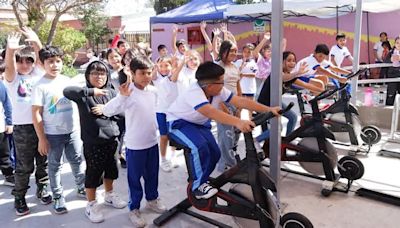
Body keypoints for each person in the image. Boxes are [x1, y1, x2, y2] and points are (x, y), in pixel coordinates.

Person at [167, 61, 281, 199]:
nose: (223, 84)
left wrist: (269, 110)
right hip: (179, 123)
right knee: (199, 147)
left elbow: (241, 101)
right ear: (209, 86)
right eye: (221, 81)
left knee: (215, 153)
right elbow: (211, 112)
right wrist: (238, 122)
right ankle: (198, 186)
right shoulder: (194, 92)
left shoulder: (217, 90)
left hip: (198, 124)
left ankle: (202, 178)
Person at [102, 56, 167, 228]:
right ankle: (134, 208)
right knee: (134, 180)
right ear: (132, 73)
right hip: (135, 146)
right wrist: (121, 97)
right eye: (142, 73)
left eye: (149, 72)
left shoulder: (153, 91)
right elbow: (107, 111)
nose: (146, 76)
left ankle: (152, 199)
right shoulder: (127, 91)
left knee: (152, 175)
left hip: (152, 142)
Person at [63, 61, 127, 223]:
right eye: (95, 73)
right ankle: (91, 204)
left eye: (102, 73)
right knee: (93, 173)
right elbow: (67, 91)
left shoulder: (112, 92)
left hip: (113, 140)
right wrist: (91, 92)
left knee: (112, 169)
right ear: (87, 76)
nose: (99, 76)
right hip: (93, 142)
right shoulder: (83, 94)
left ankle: (109, 194)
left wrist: (106, 110)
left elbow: (122, 114)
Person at [31, 45, 85, 214]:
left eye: (58, 61)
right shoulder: (39, 86)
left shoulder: (67, 81)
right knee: (54, 166)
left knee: (77, 160)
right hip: (53, 135)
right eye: (50, 62)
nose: (55, 65)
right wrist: (42, 138)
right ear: (42, 63)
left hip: (73, 131)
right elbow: (36, 114)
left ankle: (81, 187)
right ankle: (58, 196)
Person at [4, 28, 52, 216]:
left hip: (41, 124)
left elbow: (43, 60)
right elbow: (9, 67)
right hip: (22, 128)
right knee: (24, 166)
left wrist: (37, 42)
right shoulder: (13, 79)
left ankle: (43, 188)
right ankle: (20, 196)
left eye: (28, 60)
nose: (24, 64)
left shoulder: (38, 75)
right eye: (20, 61)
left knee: (43, 161)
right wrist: (10, 50)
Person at [257, 51, 310, 142]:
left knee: (293, 117)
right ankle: (255, 141)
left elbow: (305, 83)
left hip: (275, 102)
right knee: (277, 128)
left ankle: (286, 141)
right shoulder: (277, 71)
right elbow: (283, 78)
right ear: (282, 62)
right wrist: (297, 73)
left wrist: (320, 89)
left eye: (294, 61)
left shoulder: (290, 75)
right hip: (265, 104)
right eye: (289, 60)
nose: (292, 63)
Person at [216, 40, 241, 172]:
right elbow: (215, 90)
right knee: (226, 136)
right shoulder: (218, 67)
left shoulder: (235, 67)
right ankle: (230, 166)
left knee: (236, 134)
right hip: (223, 105)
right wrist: (222, 107)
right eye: (231, 50)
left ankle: (226, 162)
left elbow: (238, 86)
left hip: (235, 103)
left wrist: (240, 107)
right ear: (223, 51)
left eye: (235, 51)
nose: (234, 53)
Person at [152, 56, 179, 172]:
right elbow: (152, 75)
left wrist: (176, 63)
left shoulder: (173, 76)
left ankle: (173, 157)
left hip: (173, 111)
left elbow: (176, 70)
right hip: (161, 111)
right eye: (161, 66)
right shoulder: (156, 78)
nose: (163, 68)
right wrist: (155, 66)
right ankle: (163, 159)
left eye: (166, 65)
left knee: (173, 135)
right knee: (164, 136)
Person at [235, 43, 258, 119]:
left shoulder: (253, 63)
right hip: (240, 88)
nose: (247, 54)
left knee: (250, 107)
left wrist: (244, 75)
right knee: (239, 108)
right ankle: (237, 125)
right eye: (245, 52)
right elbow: (236, 73)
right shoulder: (238, 62)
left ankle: (250, 123)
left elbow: (254, 74)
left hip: (250, 88)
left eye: (249, 52)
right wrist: (242, 64)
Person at [0, 60, 14, 187]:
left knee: (4, 153)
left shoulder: (1, 86)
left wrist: (9, 122)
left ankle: (9, 175)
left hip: (1, 127)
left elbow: (7, 105)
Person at [384, 36, 400, 105]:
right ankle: (389, 111)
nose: (399, 44)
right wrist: (391, 60)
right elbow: (385, 61)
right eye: (397, 43)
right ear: (394, 43)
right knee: (391, 94)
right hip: (392, 75)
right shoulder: (391, 52)